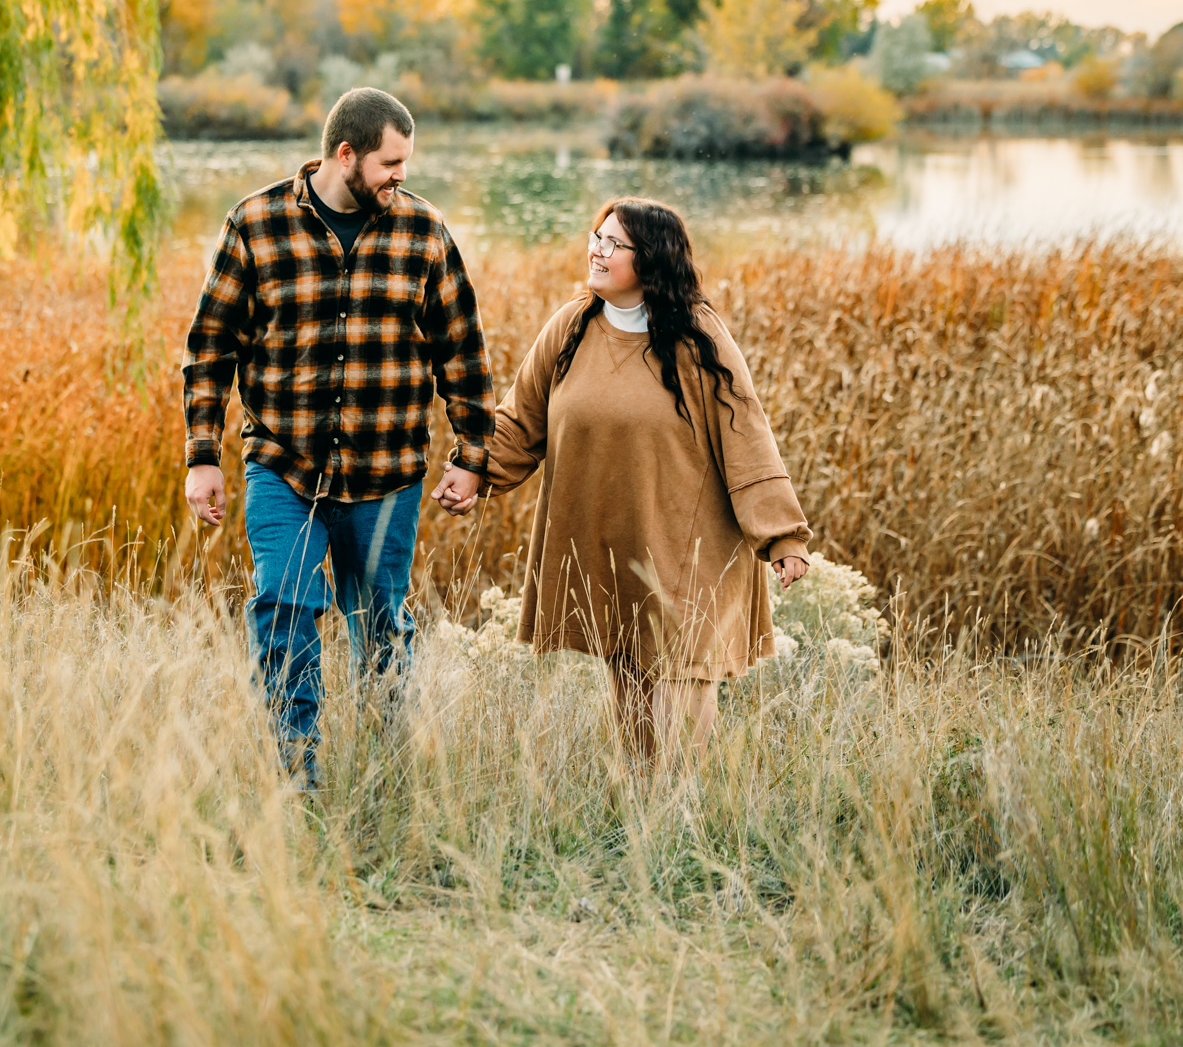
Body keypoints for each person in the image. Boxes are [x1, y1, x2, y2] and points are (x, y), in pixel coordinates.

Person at [182, 87, 493, 787]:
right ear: (345, 154)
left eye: (406, 163)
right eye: (390, 162)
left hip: (386, 476)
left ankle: (386, 778)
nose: (400, 176)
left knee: (381, 626)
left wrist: (472, 456)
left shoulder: (425, 234)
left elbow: (463, 354)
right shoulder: (256, 225)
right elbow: (210, 349)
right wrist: (203, 456)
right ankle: (297, 775)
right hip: (282, 467)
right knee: (285, 607)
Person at [438, 198, 811, 763]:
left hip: (693, 542)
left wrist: (782, 535)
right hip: (615, 541)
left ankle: (677, 817)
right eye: (597, 236)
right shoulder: (571, 328)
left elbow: (747, 433)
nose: (597, 249)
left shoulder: (698, 336)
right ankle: (642, 819)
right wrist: (472, 470)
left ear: (652, 260)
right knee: (631, 673)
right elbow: (521, 420)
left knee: (684, 671)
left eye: (614, 244)